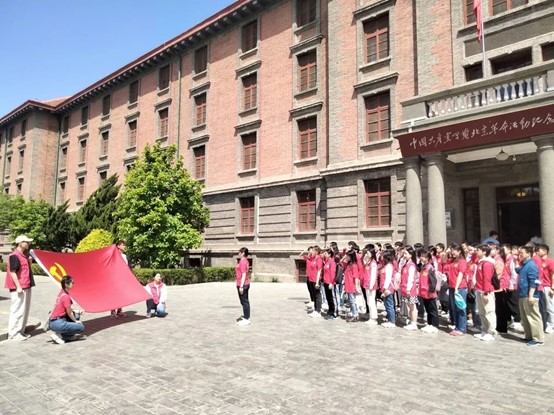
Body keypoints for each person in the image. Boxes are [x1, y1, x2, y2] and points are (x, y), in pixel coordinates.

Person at [5, 235, 36, 341]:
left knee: (24, 311)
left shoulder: (24, 255)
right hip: (19, 287)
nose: (28, 243)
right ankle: (13, 334)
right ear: (20, 243)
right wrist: (18, 286)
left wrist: (30, 262)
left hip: (26, 285)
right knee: (17, 311)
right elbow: (13, 272)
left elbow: (25, 270)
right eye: (26, 242)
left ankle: (20, 332)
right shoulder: (15, 256)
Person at [517, 245, 544, 346]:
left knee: (533, 317)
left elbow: (534, 281)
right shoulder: (524, 264)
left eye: (522, 253)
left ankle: (538, 339)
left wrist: (531, 295)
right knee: (525, 317)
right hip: (522, 294)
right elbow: (517, 270)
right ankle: (529, 336)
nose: (520, 255)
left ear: (528, 254)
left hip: (529, 295)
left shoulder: (531, 265)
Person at [48, 275, 86, 344]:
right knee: (81, 327)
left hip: (53, 321)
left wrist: (78, 311)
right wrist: (76, 321)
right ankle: (59, 335)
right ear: (66, 284)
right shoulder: (66, 297)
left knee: (77, 315)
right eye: (72, 282)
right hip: (58, 323)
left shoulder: (62, 292)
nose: (73, 284)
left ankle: (66, 336)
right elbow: (69, 312)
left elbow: (67, 308)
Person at [474, 245, 497, 341]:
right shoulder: (480, 262)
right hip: (479, 289)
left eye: (478, 250)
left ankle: (491, 332)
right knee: (482, 312)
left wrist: (486, 293)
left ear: (484, 252)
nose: (476, 252)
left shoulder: (487, 264)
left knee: (489, 311)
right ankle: (484, 330)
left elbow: (487, 279)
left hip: (486, 291)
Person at [448, 244, 468, 336]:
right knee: (454, 308)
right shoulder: (453, 261)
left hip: (460, 288)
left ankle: (462, 328)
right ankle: (457, 326)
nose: (452, 252)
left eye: (453, 251)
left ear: (459, 251)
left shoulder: (462, 261)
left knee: (460, 308)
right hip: (451, 287)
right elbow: (444, 259)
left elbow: (460, 275)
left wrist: (456, 287)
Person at [418, 250, 439, 333]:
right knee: (428, 309)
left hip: (429, 292)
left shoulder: (429, 267)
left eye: (423, 256)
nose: (421, 258)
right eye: (421, 256)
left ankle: (434, 325)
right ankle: (429, 324)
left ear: (427, 258)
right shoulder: (424, 266)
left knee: (432, 310)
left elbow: (433, 280)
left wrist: (431, 290)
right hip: (424, 292)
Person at [400, 246, 418, 331]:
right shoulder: (406, 264)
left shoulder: (411, 265)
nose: (404, 255)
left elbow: (411, 278)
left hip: (410, 290)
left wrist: (408, 289)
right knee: (409, 307)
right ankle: (411, 321)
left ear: (411, 255)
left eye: (406, 253)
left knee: (412, 307)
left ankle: (414, 323)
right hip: (404, 288)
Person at [537, 244, 554, 334]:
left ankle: (551, 325)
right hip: (540, 286)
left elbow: (553, 274)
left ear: (545, 251)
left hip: (547, 286)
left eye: (539, 250)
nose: (538, 252)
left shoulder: (550, 261)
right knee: (543, 306)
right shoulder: (538, 261)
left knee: (549, 307)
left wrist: (552, 287)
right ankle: (545, 324)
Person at [111, 240, 128, 318]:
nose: (124, 246)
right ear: (118, 246)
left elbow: (126, 266)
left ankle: (119, 311)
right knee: (114, 294)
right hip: (115, 277)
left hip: (122, 277)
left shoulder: (124, 256)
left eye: (124, 245)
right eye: (123, 245)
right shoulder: (113, 255)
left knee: (121, 294)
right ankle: (113, 311)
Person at [236, 247, 251, 326]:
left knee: (244, 301)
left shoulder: (243, 262)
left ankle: (246, 319)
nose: (238, 254)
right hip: (243, 284)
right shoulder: (244, 261)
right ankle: (246, 316)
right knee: (244, 301)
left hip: (243, 284)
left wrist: (241, 286)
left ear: (243, 253)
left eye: (239, 252)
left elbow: (244, 274)